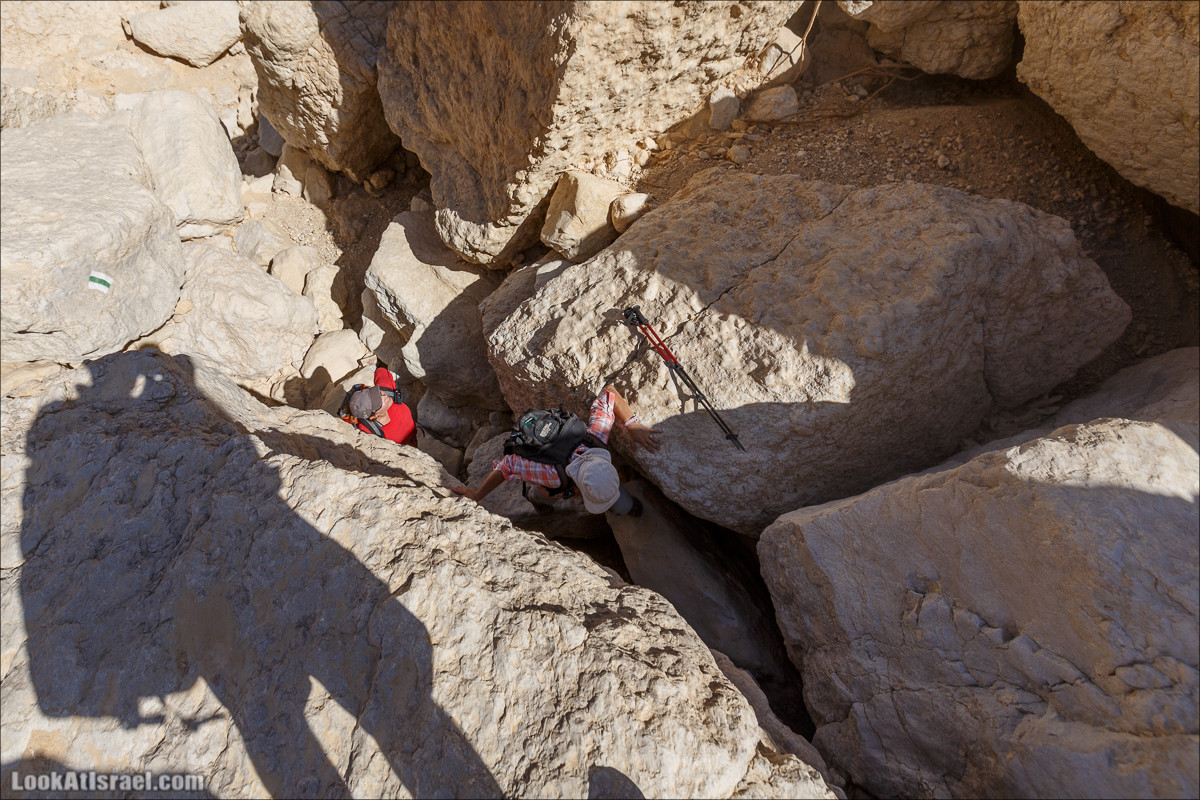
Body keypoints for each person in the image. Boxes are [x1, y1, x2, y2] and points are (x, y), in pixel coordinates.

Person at [452, 384, 661, 516]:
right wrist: (476, 495)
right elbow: (508, 464)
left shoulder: (595, 439)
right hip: (554, 477)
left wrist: (633, 425)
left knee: (550, 491)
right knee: (542, 492)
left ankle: (628, 508)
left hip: (561, 471)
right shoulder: (555, 474)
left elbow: (609, 392)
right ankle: (539, 500)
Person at [344, 364, 417, 446]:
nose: (384, 395)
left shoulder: (386, 390)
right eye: (377, 401)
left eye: (376, 393)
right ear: (374, 416)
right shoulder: (367, 430)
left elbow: (381, 371)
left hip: (414, 434)